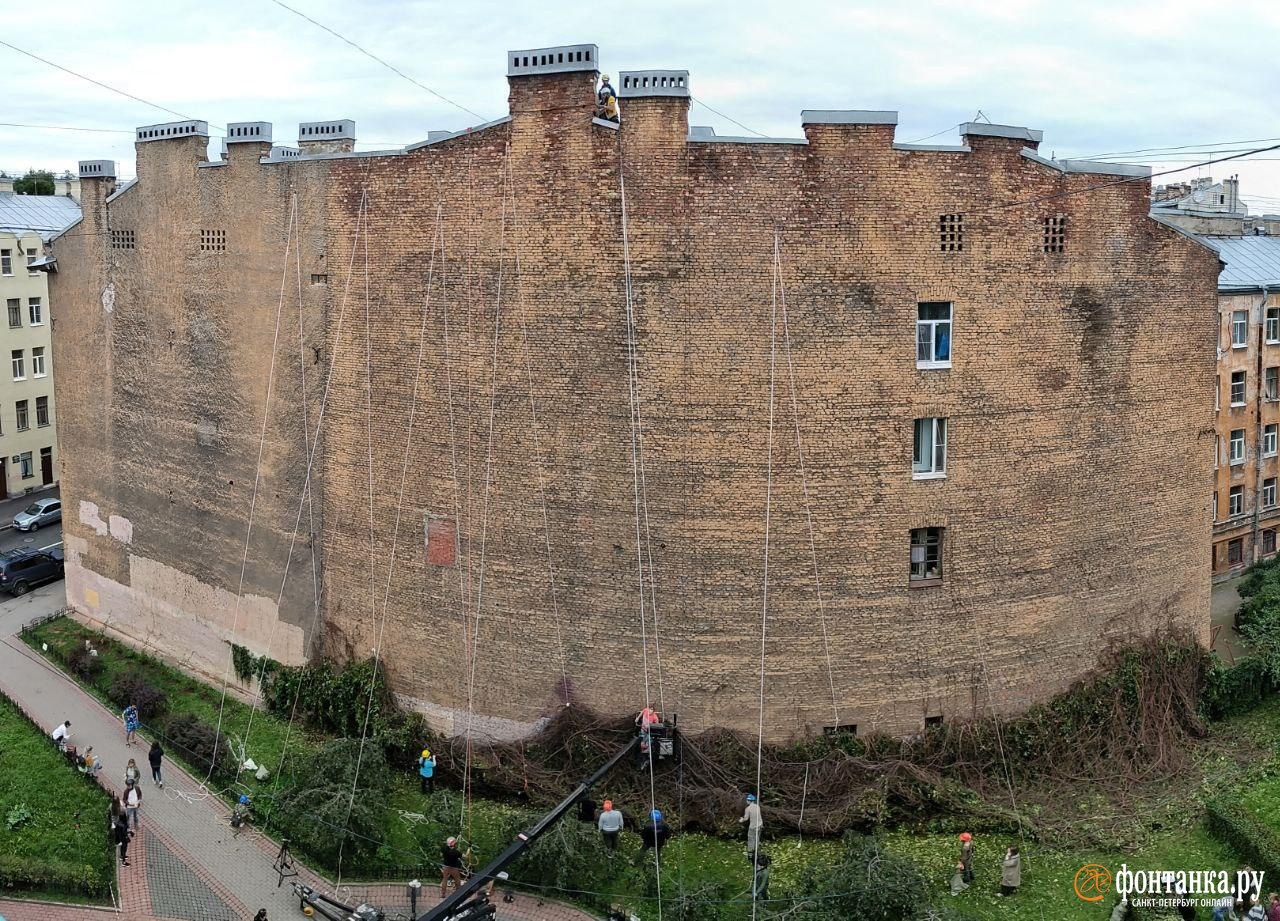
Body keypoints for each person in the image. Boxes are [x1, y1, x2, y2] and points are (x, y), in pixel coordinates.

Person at [741, 793, 763, 860]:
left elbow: (746, 818)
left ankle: (750, 855)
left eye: (747, 800)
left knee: (751, 839)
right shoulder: (757, 807)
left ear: (749, 801)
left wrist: (741, 820)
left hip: (753, 826)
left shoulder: (748, 809)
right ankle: (756, 852)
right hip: (760, 825)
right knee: (757, 838)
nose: (746, 801)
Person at [110, 796, 131, 866]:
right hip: (122, 827)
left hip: (117, 826)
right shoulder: (121, 810)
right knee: (124, 844)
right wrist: (128, 830)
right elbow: (126, 819)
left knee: (122, 842)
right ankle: (123, 860)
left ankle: (122, 856)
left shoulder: (111, 807)